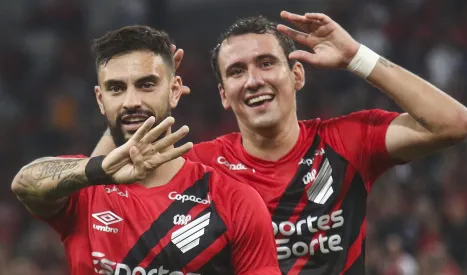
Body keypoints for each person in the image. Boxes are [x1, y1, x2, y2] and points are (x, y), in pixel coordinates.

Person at [91, 11, 467, 274]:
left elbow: (453, 124)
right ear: (224, 95)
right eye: (237, 72)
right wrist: (143, 101)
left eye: (266, 63)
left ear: (297, 75)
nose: (254, 80)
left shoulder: (346, 142)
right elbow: (95, 192)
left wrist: (357, 57)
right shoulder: (199, 166)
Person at [11, 26, 281, 275]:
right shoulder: (85, 187)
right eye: (116, 88)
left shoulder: (234, 201)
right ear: (100, 100)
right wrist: (101, 169)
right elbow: (24, 183)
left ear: (175, 91)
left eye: (147, 84)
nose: (131, 101)